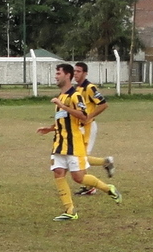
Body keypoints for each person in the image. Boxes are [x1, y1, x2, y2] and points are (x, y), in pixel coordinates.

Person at [36, 64, 122, 221]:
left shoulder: (75, 96)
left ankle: (108, 188)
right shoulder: (61, 96)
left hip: (74, 144)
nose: (56, 76)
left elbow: (83, 116)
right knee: (58, 173)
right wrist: (50, 128)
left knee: (78, 178)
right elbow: (63, 119)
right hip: (59, 143)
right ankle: (70, 210)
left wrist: (63, 106)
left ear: (67, 75)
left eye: (58, 73)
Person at [73, 61, 115, 196]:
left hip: (89, 127)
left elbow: (103, 104)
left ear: (85, 73)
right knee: (78, 157)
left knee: (81, 158)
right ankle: (104, 164)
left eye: (78, 71)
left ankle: (92, 184)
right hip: (79, 128)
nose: (76, 74)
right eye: (74, 71)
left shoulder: (90, 88)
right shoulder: (76, 89)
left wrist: (89, 117)